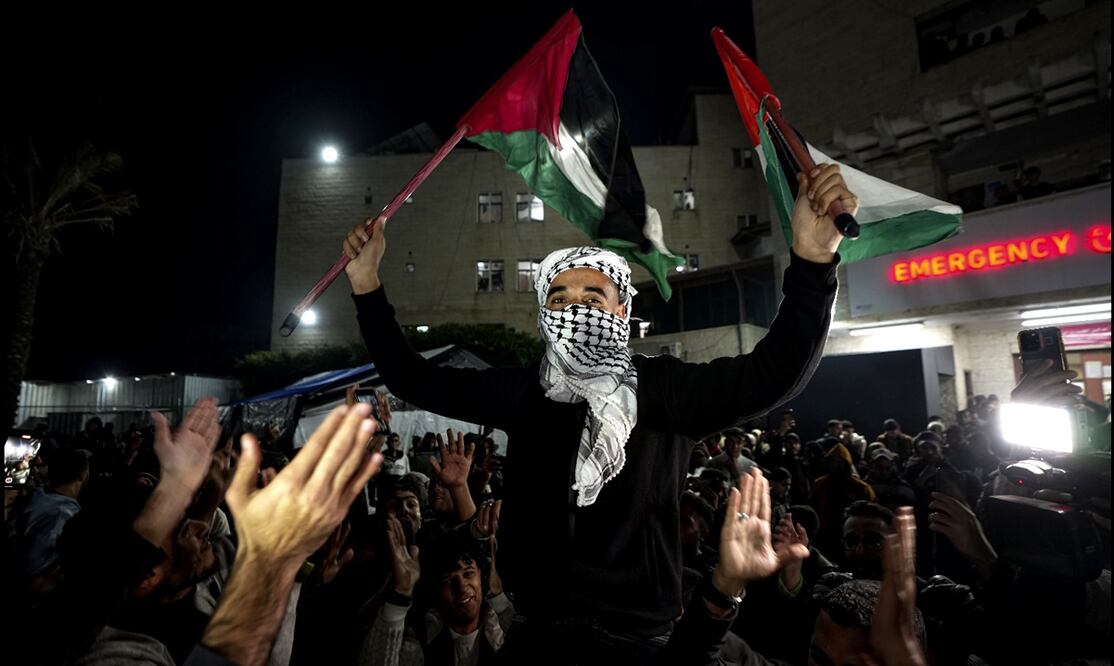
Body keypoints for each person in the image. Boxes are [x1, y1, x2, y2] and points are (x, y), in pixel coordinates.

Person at [343, 163, 857, 657]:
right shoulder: (526, 390)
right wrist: (367, 285)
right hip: (535, 635)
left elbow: (774, 372)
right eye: (561, 297)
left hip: (638, 644)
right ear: (546, 316)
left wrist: (812, 263)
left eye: (595, 293)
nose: (579, 306)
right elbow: (415, 378)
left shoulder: (665, 388)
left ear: (621, 310)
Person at [812, 443, 876, 555]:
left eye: (838, 462)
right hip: (826, 535)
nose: (834, 466)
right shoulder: (819, 484)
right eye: (832, 462)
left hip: (853, 536)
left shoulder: (861, 488)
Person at [840, 501, 894, 580]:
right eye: (851, 543)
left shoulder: (914, 588)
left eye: (873, 543)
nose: (860, 552)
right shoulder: (832, 585)